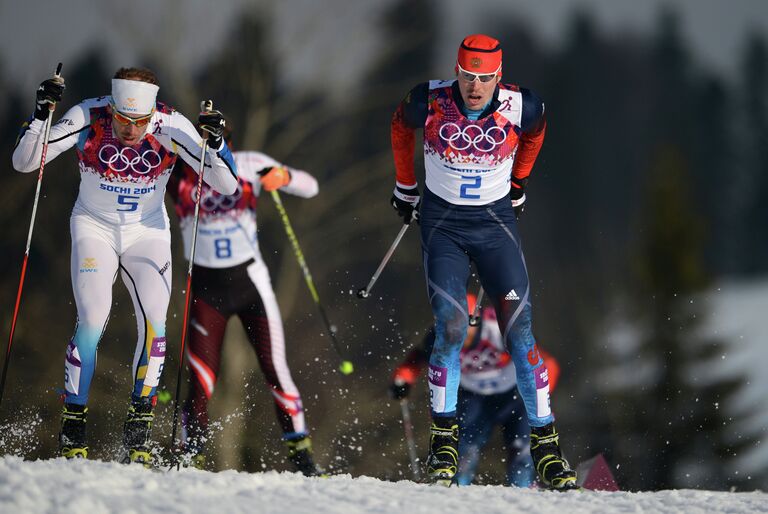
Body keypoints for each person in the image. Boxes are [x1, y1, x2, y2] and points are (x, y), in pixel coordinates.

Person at [12, 67, 238, 465]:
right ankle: (73, 429)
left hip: (146, 231)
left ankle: (139, 433)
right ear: (111, 106)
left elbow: (227, 185)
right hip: (93, 227)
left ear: (152, 113)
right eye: (121, 118)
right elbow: (25, 162)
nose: (130, 130)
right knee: (92, 321)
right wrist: (41, 115)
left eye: (139, 122)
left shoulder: (171, 124)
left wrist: (217, 145)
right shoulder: (89, 115)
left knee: (156, 327)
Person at [389, 34, 578, 489]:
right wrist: (405, 185)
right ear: (457, 71)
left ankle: (547, 446)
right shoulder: (429, 99)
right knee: (452, 328)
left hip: (495, 229)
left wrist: (519, 181)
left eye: (485, 78)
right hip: (444, 230)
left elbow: (537, 131)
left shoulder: (521, 105)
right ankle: (444, 442)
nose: (475, 87)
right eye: (468, 76)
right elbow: (399, 126)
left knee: (520, 332)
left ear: (499, 75)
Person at [168, 139, 323, 475]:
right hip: (207, 291)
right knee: (201, 381)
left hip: (251, 284)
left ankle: (303, 457)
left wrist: (282, 176)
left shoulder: (248, 162)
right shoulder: (178, 170)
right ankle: (189, 456)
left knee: (275, 369)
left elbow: (310, 187)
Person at [390, 294, 561, 487]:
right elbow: (419, 357)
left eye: (463, 326)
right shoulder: (440, 337)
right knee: (464, 447)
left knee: (523, 447)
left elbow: (545, 362)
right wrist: (403, 378)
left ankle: (522, 491)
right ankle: (458, 490)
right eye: (450, 324)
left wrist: (541, 397)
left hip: (514, 395)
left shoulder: (499, 329)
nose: (457, 332)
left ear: (474, 319)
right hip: (473, 397)